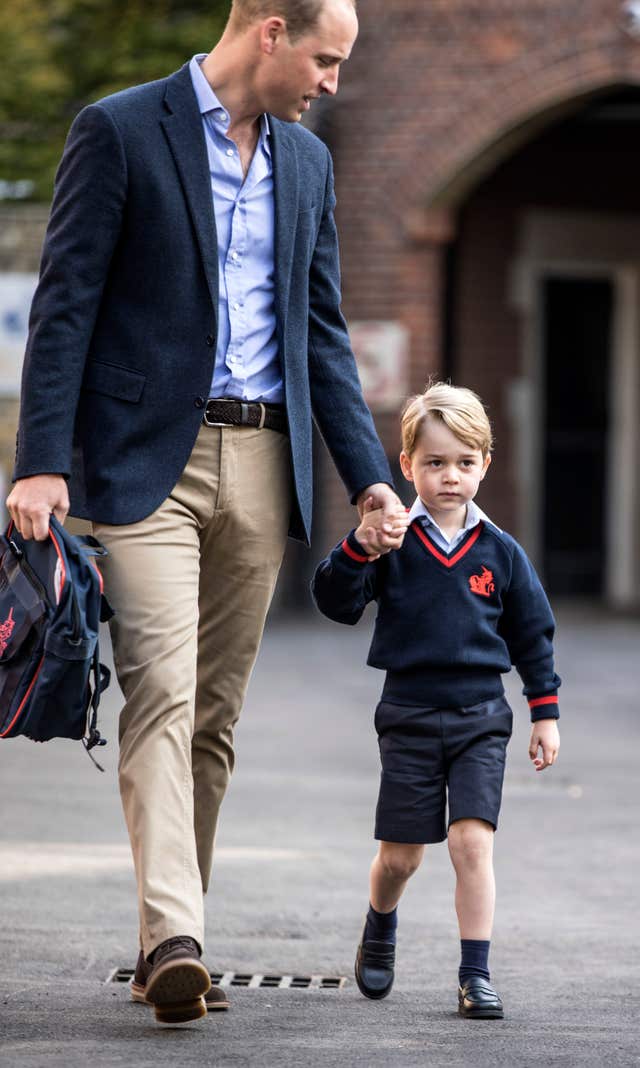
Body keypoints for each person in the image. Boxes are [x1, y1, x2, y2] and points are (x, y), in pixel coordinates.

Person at [7, 0, 405, 1025]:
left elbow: (320, 328)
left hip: (263, 458)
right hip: (148, 466)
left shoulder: (307, 164)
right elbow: (66, 305)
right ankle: (181, 933)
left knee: (215, 721)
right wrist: (41, 460)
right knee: (163, 695)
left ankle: (159, 943)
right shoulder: (121, 128)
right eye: (325, 59)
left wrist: (366, 475)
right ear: (270, 31)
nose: (332, 83)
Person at [311, 381, 561, 1019]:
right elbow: (336, 602)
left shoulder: (502, 554)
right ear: (407, 467)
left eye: (464, 463)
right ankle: (380, 922)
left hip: (482, 717)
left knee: (471, 844)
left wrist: (545, 714)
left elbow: (532, 636)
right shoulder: (392, 541)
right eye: (434, 463)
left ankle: (475, 974)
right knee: (400, 858)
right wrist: (357, 547)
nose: (450, 476)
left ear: (486, 464)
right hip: (409, 716)